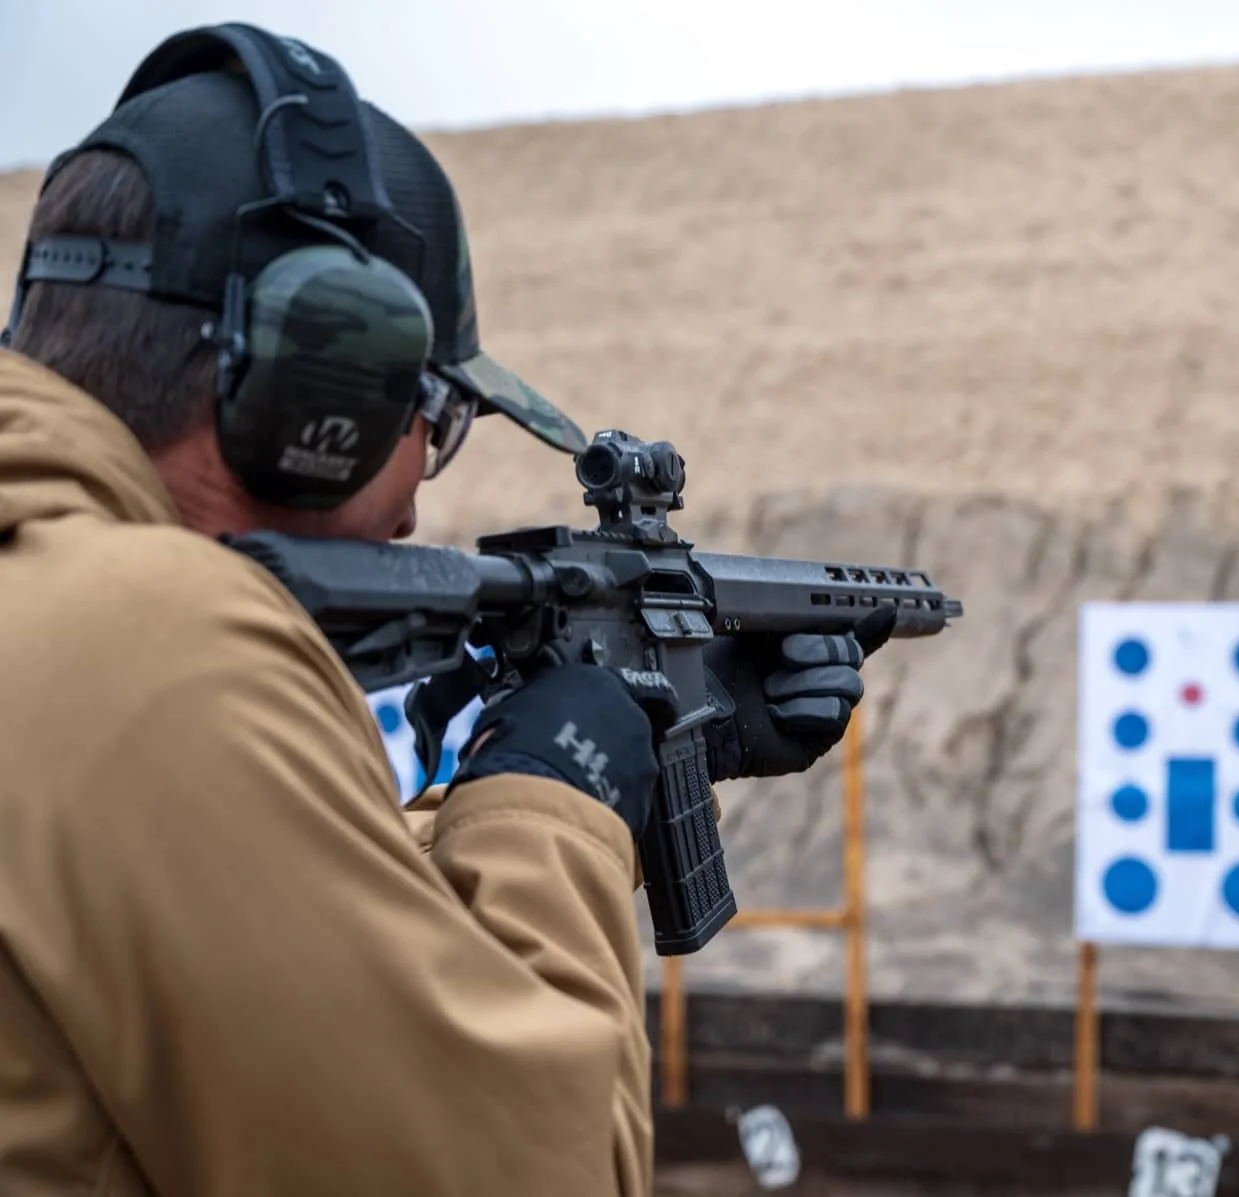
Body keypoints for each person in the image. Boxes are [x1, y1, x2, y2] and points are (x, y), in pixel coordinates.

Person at [0, 22, 891, 1197]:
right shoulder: (151, 646)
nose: (419, 504)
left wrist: (672, 742)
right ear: (317, 392)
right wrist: (557, 806)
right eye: (435, 416)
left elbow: (267, 939)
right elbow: (529, 1167)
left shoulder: (57, 619)